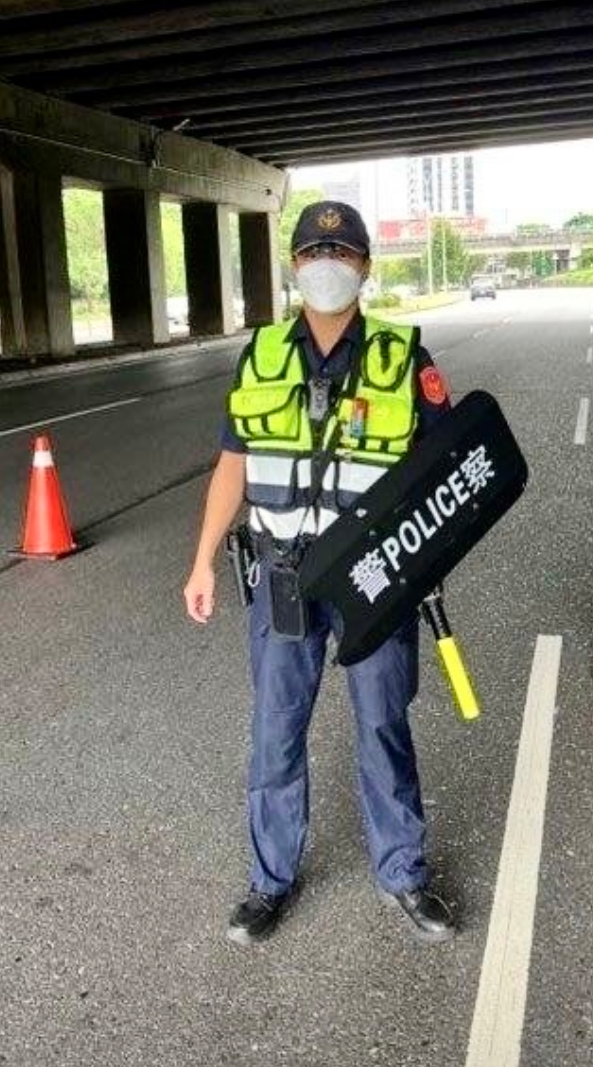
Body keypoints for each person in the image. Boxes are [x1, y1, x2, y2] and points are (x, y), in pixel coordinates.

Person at [183, 200, 457, 946]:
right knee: (274, 733)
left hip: (374, 576)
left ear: (365, 266)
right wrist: (204, 559)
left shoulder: (406, 360)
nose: (325, 264)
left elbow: (446, 473)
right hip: (281, 576)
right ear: (294, 266)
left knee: (382, 725)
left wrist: (423, 562)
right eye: (311, 252)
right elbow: (232, 466)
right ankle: (269, 881)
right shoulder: (262, 355)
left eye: (340, 252)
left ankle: (403, 873)